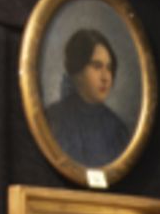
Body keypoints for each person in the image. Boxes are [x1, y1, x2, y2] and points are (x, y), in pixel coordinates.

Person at [45, 29, 133, 168]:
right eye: (97, 66)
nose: (105, 77)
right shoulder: (54, 119)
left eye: (109, 68)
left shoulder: (117, 129)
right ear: (77, 72)